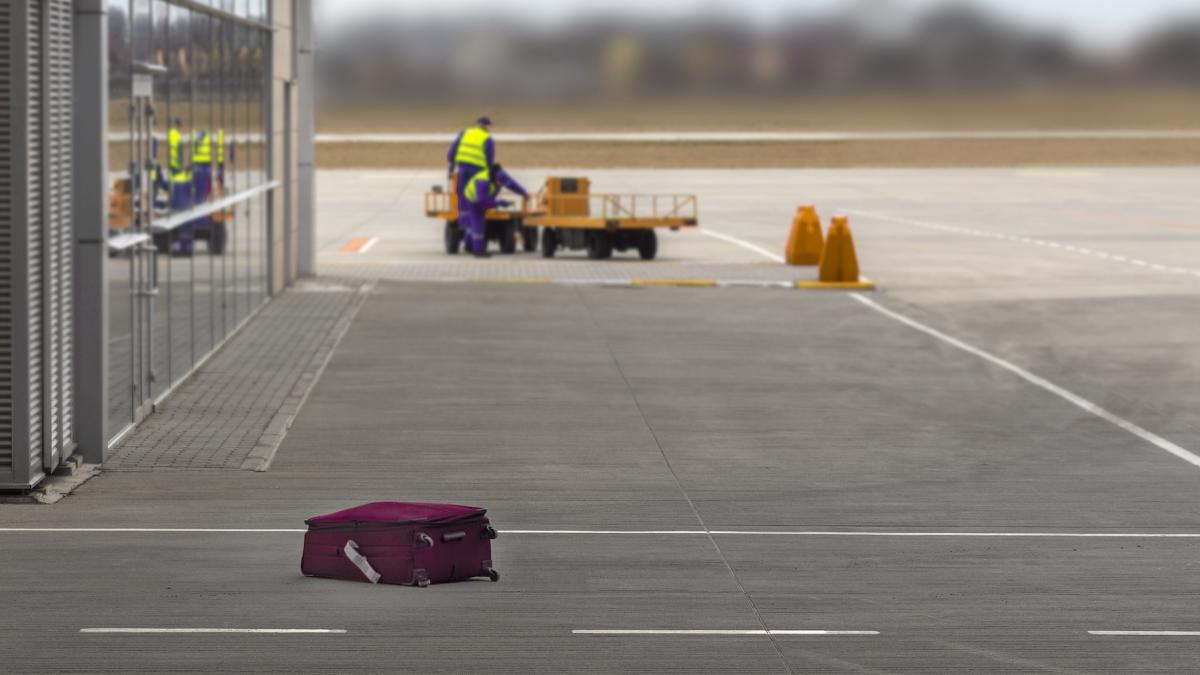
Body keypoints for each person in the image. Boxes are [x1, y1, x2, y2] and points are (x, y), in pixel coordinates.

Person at [447, 117, 496, 255]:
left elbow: (451, 154)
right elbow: (489, 162)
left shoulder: (464, 133)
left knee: (463, 200)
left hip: (463, 170)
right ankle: (471, 242)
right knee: (475, 204)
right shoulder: (488, 139)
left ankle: (464, 230)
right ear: (487, 126)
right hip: (478, 174)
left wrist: (452, 166)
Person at [462, 164, 529, 258]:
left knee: (476, 224)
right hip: (473, 200)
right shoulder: (483, 182)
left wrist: (523, 192)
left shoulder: (502, 176)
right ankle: (478, 251)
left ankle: (468, 245)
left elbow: (512, 184)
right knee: (479, 224)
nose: (500, 185)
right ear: (495, 178)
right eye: (499, 183)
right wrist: (499, 203)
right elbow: (482, 202)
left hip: (483, 197)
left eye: (502, 183)